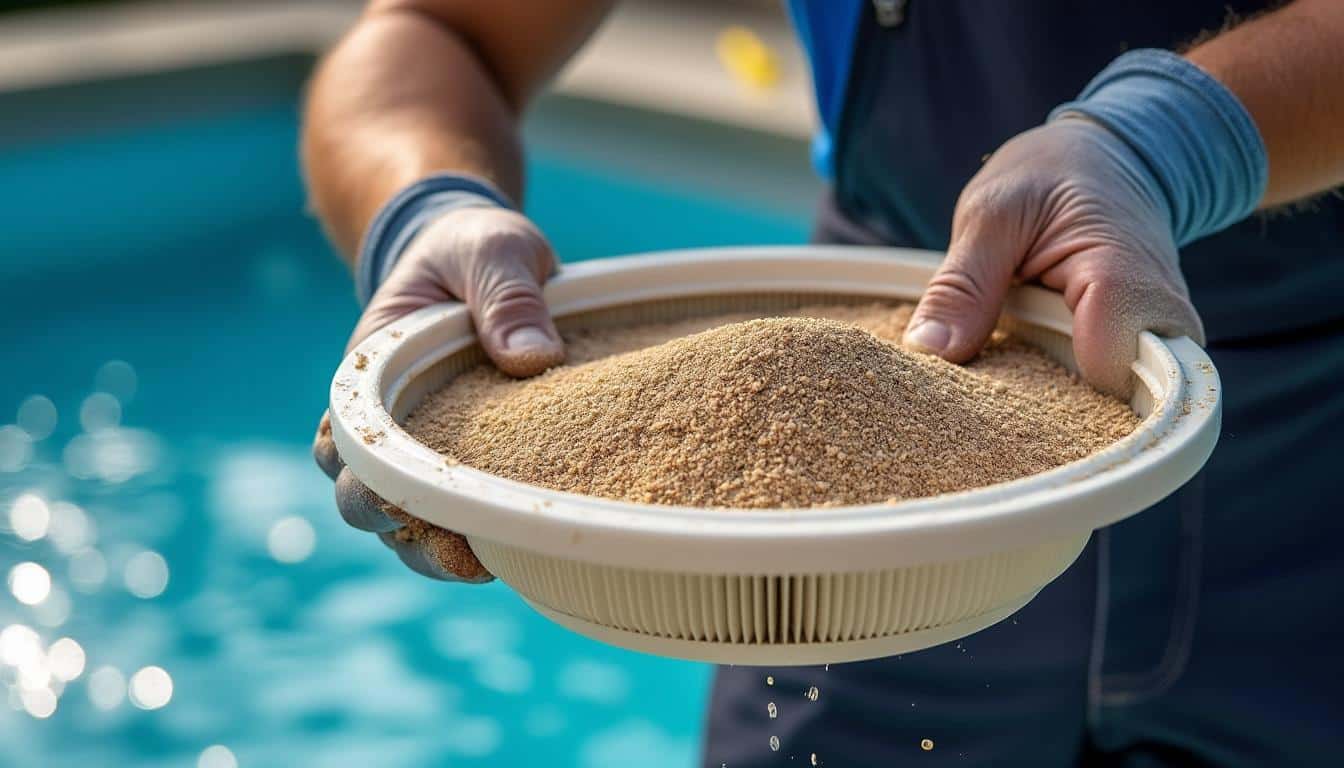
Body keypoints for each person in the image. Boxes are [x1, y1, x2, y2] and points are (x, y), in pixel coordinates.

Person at [304, 1, 1344, 764]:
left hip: (1306, 461)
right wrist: (425, 211)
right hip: (836, 551)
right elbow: (432, 35)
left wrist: (1165, 142)